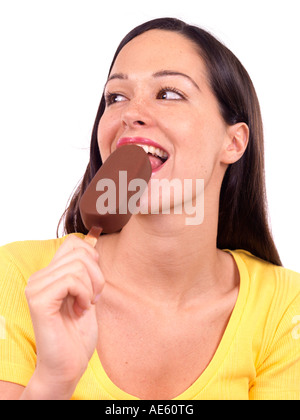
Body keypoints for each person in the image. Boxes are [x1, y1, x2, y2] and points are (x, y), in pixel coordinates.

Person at [0, 17, 299, 401]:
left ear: (234, 142)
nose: (130, 113)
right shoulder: (20, 277)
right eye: (116, 97)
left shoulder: (285, 307)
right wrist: (53, 381)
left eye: (169, 93)